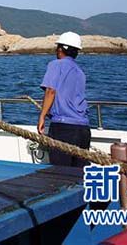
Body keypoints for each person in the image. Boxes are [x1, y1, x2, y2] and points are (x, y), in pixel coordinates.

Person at [37, 31, 91, 167]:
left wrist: (42, 116)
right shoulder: (79, 71)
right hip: (83, 129)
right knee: (79, 172)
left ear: (60, 49)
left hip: (63, 128)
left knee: (60, 172)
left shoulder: (56, 64)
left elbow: (50, 91)